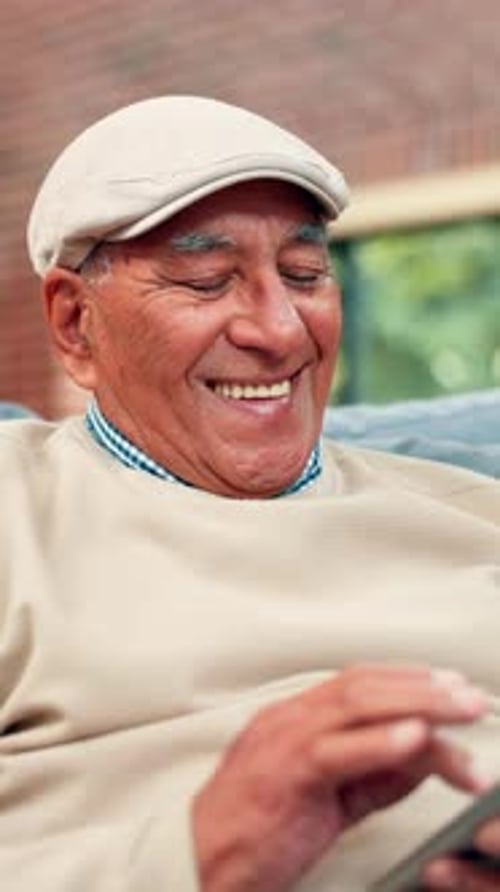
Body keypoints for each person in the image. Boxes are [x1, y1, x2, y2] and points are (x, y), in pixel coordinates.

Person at [1, 95, 499, 892]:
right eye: (205, 282)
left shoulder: (473, 508)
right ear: (72, 324)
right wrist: (198, 854)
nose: (279, 331)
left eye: (305, 275)